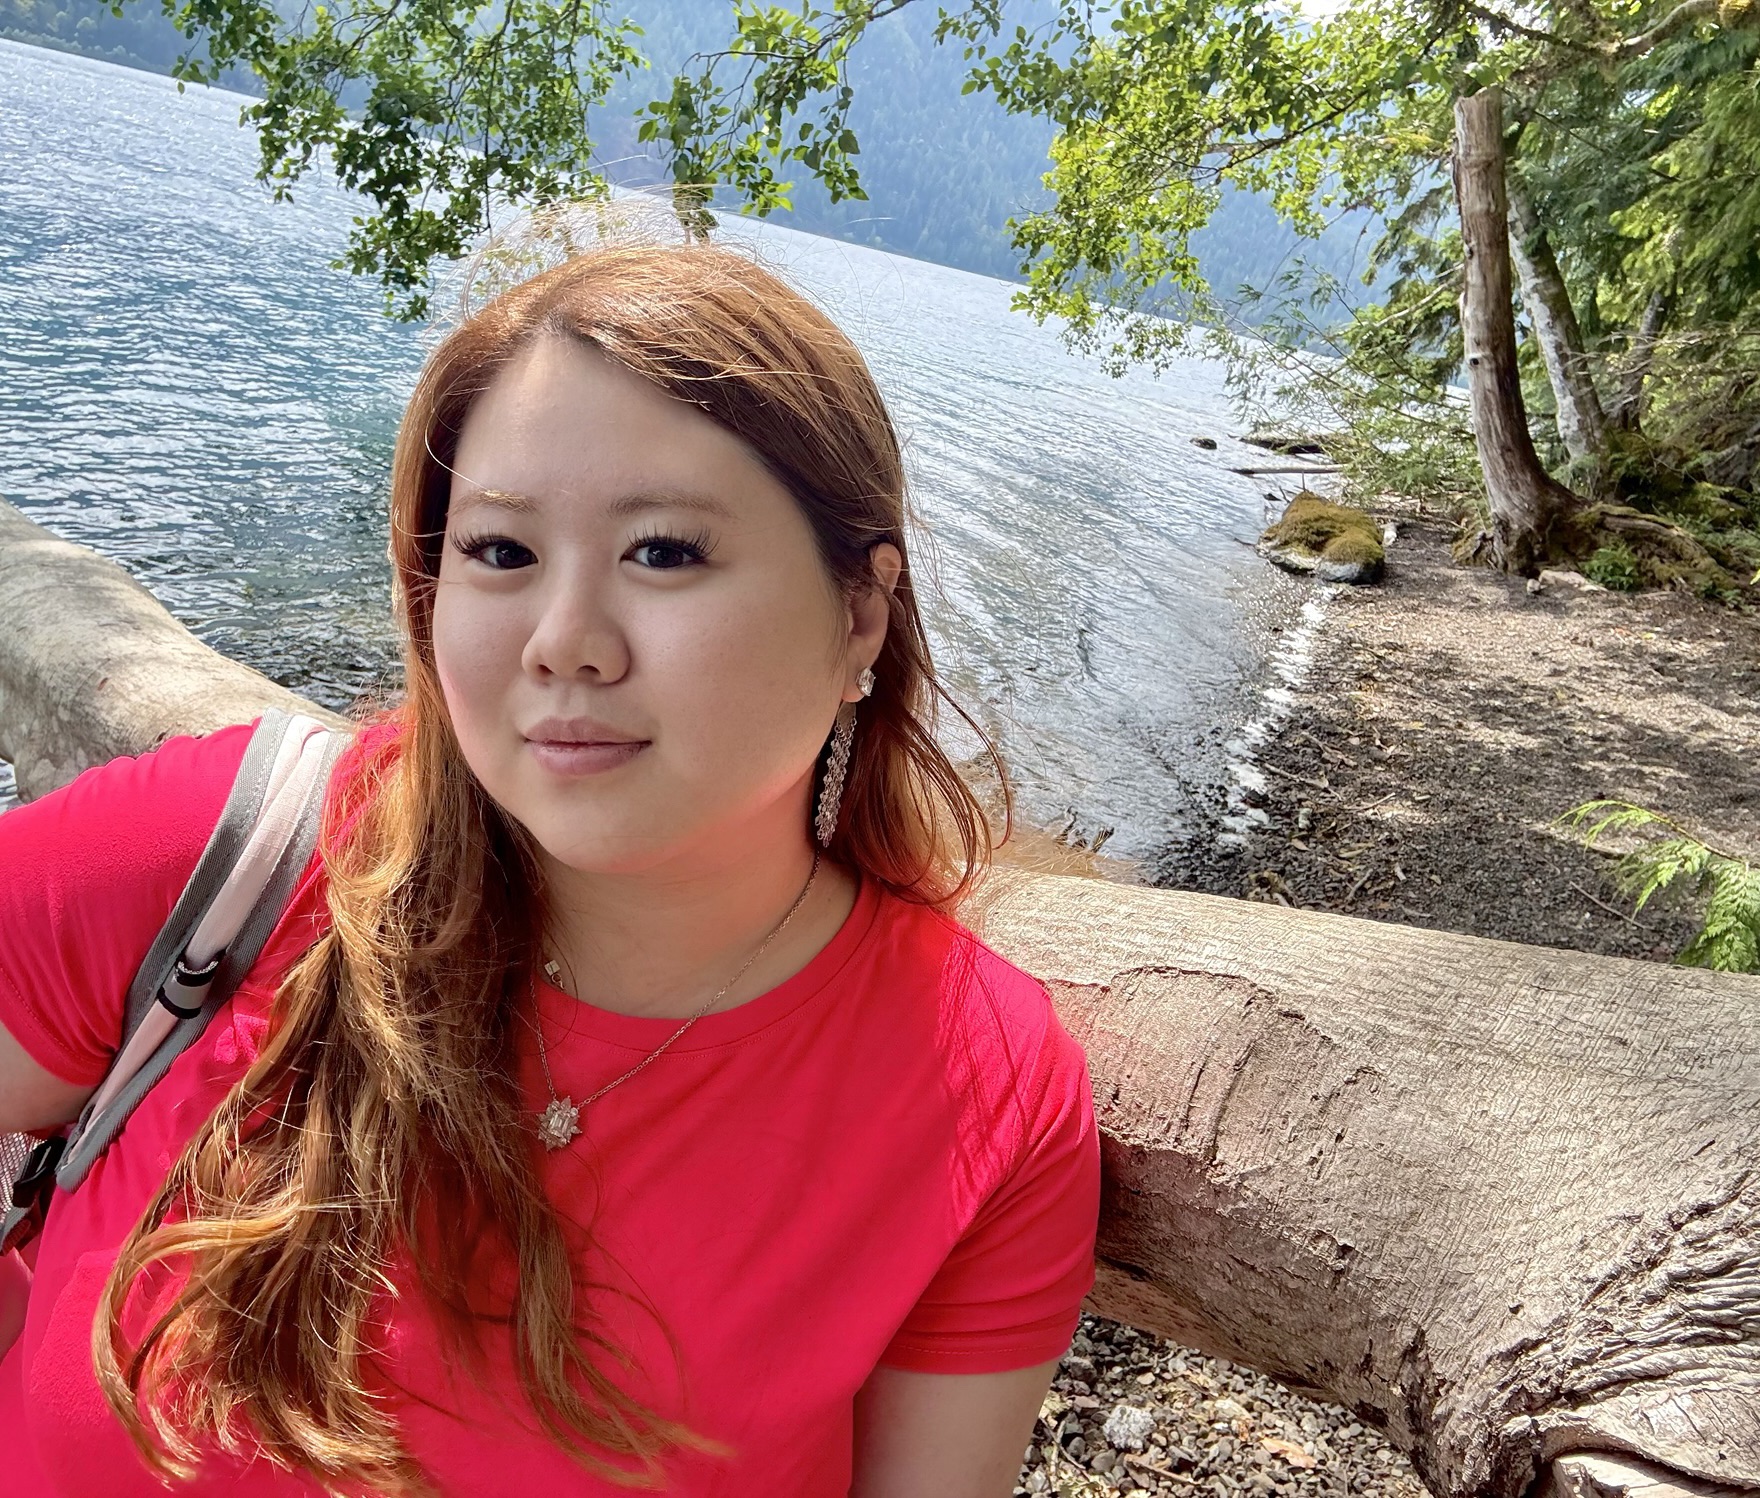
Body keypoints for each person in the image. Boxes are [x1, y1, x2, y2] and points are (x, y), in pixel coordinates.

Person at [0, 233, 1100, 1497]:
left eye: (665, 550)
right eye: (502, 552)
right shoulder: (216, 857)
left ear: (859, 612)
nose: (564, 641)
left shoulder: (979, 1095)